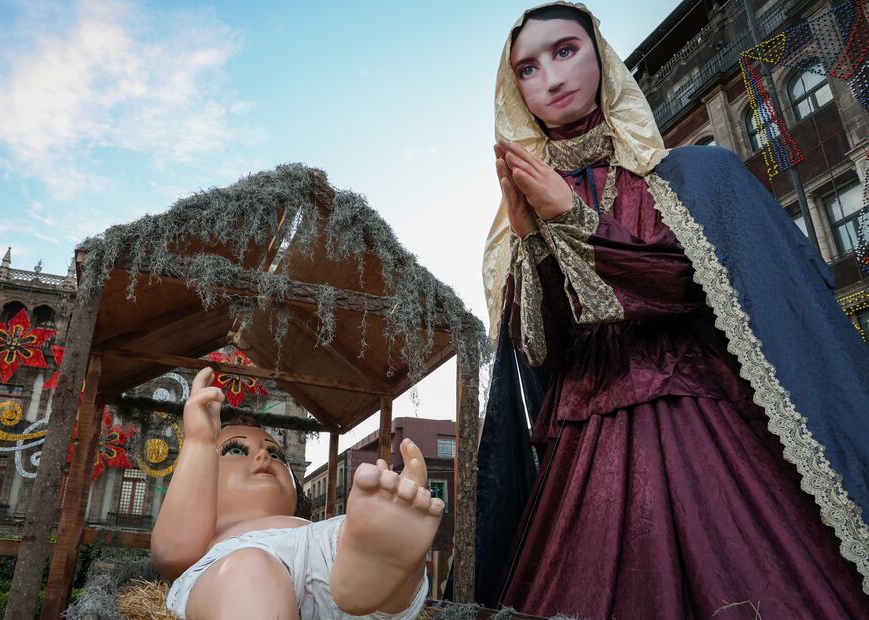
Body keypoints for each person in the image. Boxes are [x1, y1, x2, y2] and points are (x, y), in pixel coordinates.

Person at [475, 3, 869, 618]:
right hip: (589, 430)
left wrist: (571, 220)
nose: (550, 79)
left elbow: (681, 285)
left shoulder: (688, 175)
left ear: (601, 58)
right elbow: (545, 349)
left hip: (696, 402)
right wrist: (532, 240)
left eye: (565, 51)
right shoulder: (517, 211)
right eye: (527, 68)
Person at [152, 367, 443, 619]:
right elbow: (173, 553)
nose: (263, 457)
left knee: (347, 540)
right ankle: (382, 562)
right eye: (237, 450)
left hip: (326, 553)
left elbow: (330, 541)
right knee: (249, 574)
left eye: (276, 454)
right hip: (235, 558)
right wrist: (200, 442)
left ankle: (387, 561)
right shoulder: (215, 535)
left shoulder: (320, 533)